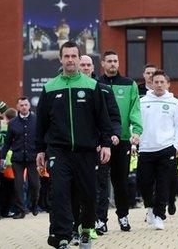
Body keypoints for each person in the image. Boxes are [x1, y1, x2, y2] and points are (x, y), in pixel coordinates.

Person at [36, 41, 112, 249]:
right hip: (58, 152)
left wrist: (105, 144)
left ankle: (86, 229)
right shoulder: (50, 88)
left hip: (86, 152)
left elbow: (102, 118)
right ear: (60, 59)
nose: (70, 60)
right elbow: (41, 122)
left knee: (88, 194)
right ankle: (62, 236)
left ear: (80, 59)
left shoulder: (92, 86)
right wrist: (40, 150)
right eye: (66, 56)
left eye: (74, 56)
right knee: (59, 193)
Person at [96, 50, 142, 233]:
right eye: (109, 61)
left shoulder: (130, 84)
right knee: (101, 182)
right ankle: (101, 220)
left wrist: (136, 131)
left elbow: (135, 111)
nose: (113, 64)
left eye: (115, 61)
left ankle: (123, 216)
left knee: (121, 182)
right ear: (103, 63)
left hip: (122, 141)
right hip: (101, 142)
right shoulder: (95, 84)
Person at [77, 54, 121, 239]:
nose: (86, 68)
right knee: (80, 187)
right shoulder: (71, 90)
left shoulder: (103, 89)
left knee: (101, 185)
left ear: (93, 68)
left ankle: (99, 221)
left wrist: (114, 135)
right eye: (83, 65)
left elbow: (114, 117)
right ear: (78, 67)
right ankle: (79, 223)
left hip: (100, 147)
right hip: (79, 148)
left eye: (89, 65)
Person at [138, 70, 178, 230]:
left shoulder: (174, 102)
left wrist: (176, 145)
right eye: (155, 82)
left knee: (163, 185)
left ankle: (159, 216)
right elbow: (135, 123)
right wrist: (134, 138)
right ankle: (150, 206)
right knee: (143, 182)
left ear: (168, 84)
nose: (158, 85)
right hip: (145, 149)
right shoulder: (143, 101)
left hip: (166, 149)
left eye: (162, 82)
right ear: (151, 84)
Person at [0, 97, 39, 219]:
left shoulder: (37, 120)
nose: (24, 107)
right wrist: (2, 158)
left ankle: (34, 204)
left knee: (35, 184)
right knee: (18, 185)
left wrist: (44, 153)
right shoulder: (12, 123)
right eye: (21, 105)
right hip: (17, 159)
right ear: (17, 107)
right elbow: (7, 143)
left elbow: (42, 138)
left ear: (29, 106)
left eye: (26, 104)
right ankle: (21, 210)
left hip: (33, 157)